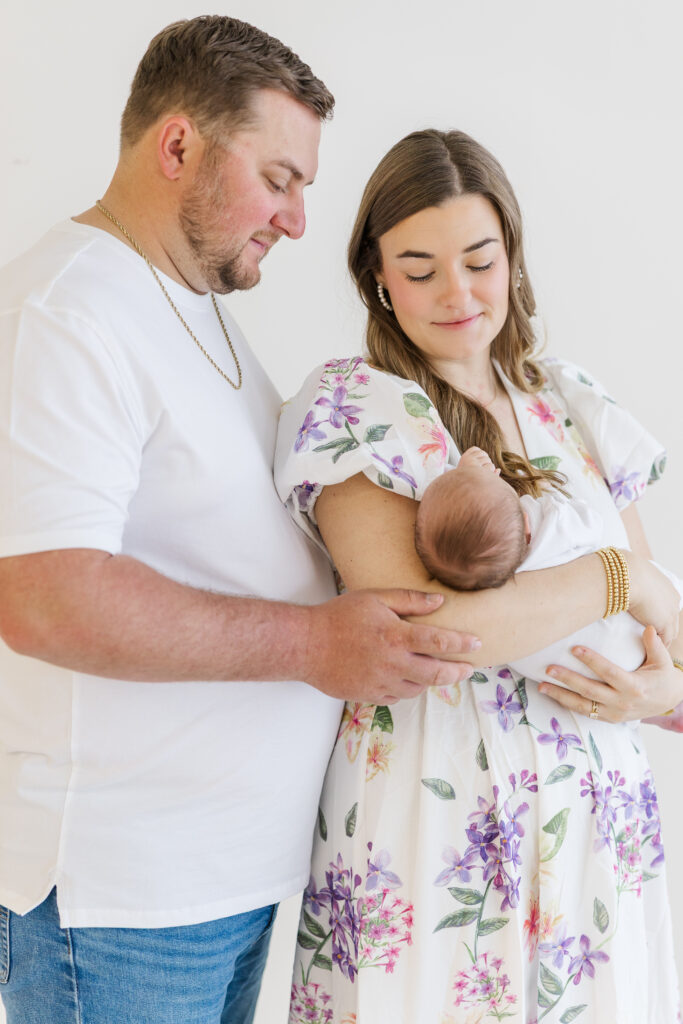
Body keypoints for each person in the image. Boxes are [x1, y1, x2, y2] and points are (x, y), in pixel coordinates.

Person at [0, 21, 490, 1024]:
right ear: (176, 147)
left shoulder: (183, 302)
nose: (299, 219)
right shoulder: (69, 311)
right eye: (278, 178)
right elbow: (45, 600)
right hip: (123, 903)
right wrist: (315, 641)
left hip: (220, 883)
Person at [275, 129, 683, 1023]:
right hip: (438, 815)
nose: (455, 294)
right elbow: (423, 634)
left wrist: (656, 688)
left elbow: (671, 648)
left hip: (593, 826)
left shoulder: (572, 400)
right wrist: (621, 577)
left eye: (478, 260)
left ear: (513, 257)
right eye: (418, 269)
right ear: (376, 276)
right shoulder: (358, 407)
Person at [416, 445, 683, 686]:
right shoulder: (548, 526)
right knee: (669, 588)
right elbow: (590, 523)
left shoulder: (483, 584)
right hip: (631, 641)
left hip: (585, 670)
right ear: (526, 521)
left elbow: (461, 516)